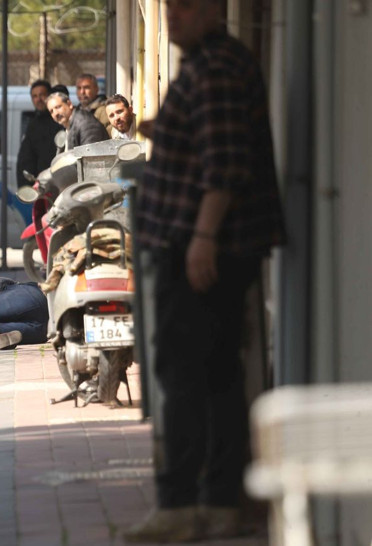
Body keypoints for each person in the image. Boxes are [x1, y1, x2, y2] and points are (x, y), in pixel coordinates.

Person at [124, 0, 285, 542]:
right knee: (216, 372)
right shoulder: (209, 60)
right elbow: (211, 141)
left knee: (183, 372)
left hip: (202, 249)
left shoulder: (215, 67)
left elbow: (226, 166)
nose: (174, 16)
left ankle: (181, 504)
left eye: (188, 7)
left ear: (215, 10)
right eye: (171, 6)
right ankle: (219, 501)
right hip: (206, 246)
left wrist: (203, 240)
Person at [15, 80, 61, 187]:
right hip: (39, 185)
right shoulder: (33, 124)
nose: (38, 99)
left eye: (42, 95)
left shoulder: (60, 120)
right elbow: (27, 158)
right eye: (35, 96)